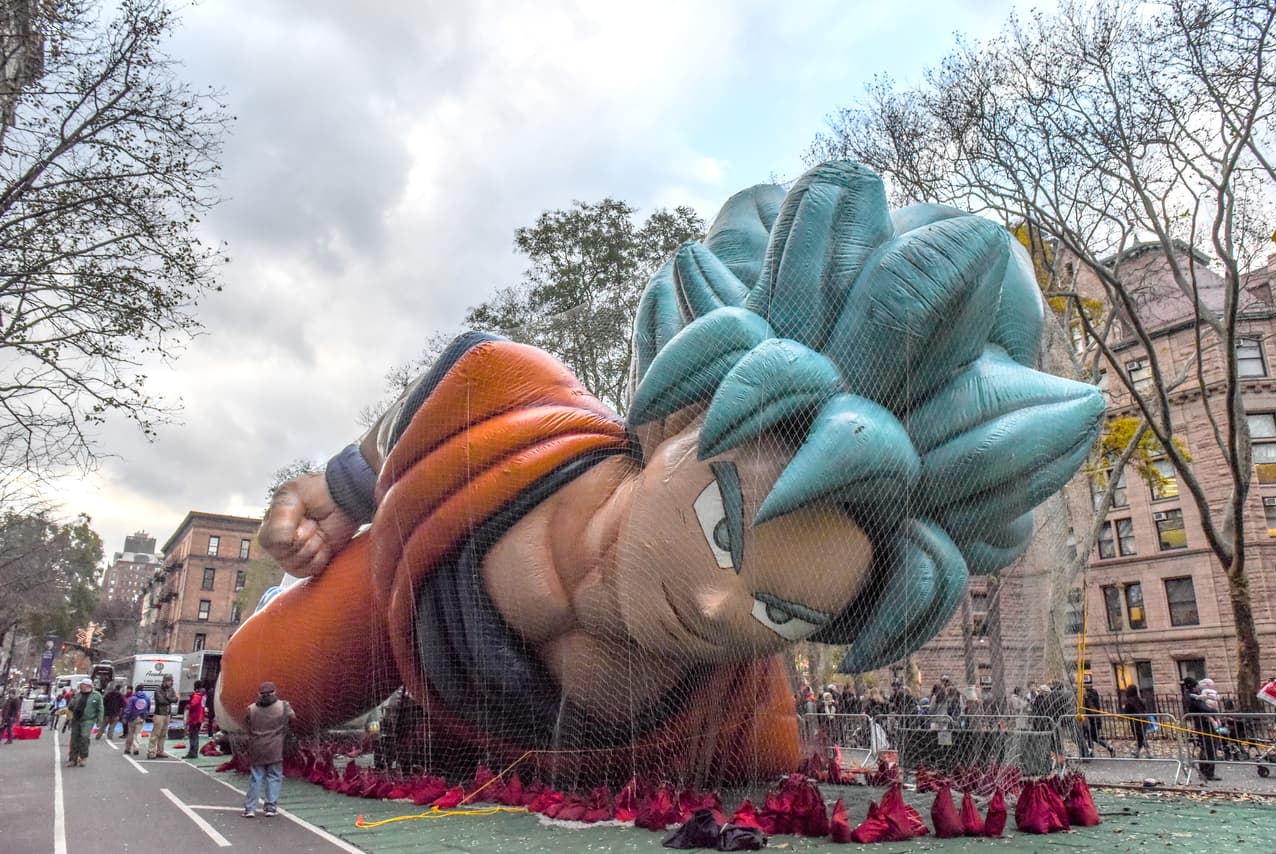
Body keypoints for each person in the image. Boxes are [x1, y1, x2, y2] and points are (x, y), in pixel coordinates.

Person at [216, 163, 1104, 783]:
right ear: (678, 419)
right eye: (725, 528)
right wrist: (336, 491)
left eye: (779, 613)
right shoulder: (510, 402)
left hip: (514, 735)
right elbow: (441, 394)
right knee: (250, 691)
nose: (721, 609)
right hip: (408, 603)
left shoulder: (739, 716)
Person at [242, 682, 295, 818]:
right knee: (274, 776)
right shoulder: (283, 706)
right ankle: (270, 807)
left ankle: (250, 809)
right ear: (274, 692)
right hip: (275, 747)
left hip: (257, 747)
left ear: (259, 694)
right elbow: (292, 718)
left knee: (256, 778)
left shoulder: (252, 708)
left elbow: (246, 723)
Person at [1182, 676, 1219, 782]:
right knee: (1209, 747)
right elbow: (1203, 708)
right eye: (1197, 685)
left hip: (1203, 723)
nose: (1199, 687)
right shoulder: (1192, 697)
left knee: (1207, 748)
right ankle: (1208, 772)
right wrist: (1214, 712)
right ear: (1193, 686)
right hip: (1203, 724)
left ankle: (1205, 771)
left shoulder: (1194, 696)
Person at [67, 678, 103, 766]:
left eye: (82, 684)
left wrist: (99, 720)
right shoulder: (77, 695)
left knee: (84, 737)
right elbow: (70, 706)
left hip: (88, 720)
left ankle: (83, 757)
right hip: (76, 719)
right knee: (74, 739)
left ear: (88, 686)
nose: (80, 686)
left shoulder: (96, 696)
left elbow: (100, 709)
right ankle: (73, 759)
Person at [148, 674, 178, 759]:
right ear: (164, 681)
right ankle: (151, 751)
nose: (171, 682)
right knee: (155, 734)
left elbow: (175, 699)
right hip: (159, 714)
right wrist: (169, 699)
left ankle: (160, 751)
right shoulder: (158, 690)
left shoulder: (171, 689)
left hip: (167, 714)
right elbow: (161, 701)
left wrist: (168, 698)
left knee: (164, 734)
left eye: (171, 681)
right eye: (169, 680)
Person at [1082, 685, 1115, 757]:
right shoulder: (1094, 694)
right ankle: (1091, 753)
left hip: (1093, 720)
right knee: (1090, 737)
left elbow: (1091, 708)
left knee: (1094, 738)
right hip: (1093, 719)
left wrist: (1086, 700)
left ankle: (1110, 748)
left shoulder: (1089, 697)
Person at [1120, 685, 1151, 758]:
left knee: (1140, 737)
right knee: (1141, 737)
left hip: (1136, 722)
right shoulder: (1139, 699)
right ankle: (1139, 752)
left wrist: (1124, 707)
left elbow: (1126, 711)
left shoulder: (1129, 701)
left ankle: (1148, 753)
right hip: (1143, 720)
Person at [121, 683, 149, 756]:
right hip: (141, 717)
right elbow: (148, 708)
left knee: (130, 733)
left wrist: (125, 717)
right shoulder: (146, 698)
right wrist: (145, 716)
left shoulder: (132, 698)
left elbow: (128, 709)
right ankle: (137, 747)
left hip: (132, 718)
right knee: (138, 733)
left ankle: (128, 749)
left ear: (136, 690)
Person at [184, 680, 206, 758]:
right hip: (200, 718)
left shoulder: (197, 695)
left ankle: (192, 752)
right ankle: (194, 752)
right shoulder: (203, 695)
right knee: (196, 735)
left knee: (192, 736)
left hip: (194, 718)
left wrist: (188, 706)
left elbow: (193, 705)